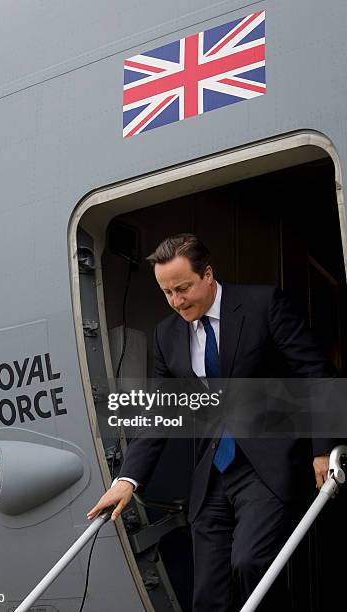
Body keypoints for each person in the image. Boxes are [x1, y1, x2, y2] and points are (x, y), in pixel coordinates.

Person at [87, 234, 335, 611]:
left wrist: (323, 447)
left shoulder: (263, 304)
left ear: (208, 275)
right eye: (167, 292)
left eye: (183, 288)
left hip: (266, 463)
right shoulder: (167, 334)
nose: (176, 301)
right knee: (208, 593)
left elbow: (314, 373)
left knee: (252, 563)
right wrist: (127, 479)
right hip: (211, 472)